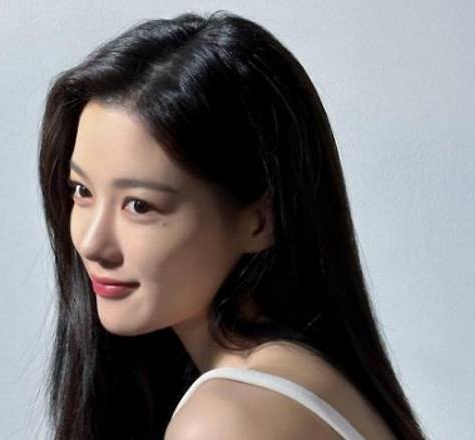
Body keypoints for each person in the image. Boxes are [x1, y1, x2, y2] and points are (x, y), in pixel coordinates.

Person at [37, 10, 427, 440]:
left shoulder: (225, 420)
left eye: (139, 206)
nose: (92, 242)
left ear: (259, 221)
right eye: (82, 191)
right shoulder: (310, 378)